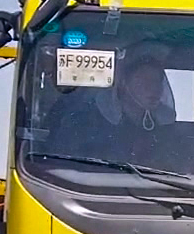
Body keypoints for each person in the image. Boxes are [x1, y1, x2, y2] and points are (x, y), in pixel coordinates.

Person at [35, 42, 177, 165]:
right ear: (123, 84)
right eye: (144, 81)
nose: (153, 88)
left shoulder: (167, 131)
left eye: (157, 81)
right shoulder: (85, 124)